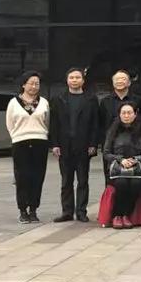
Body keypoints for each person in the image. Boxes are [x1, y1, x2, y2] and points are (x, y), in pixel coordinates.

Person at [49, 67, 102, 223]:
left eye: (77, 77)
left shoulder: (91, 99)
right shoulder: (59, 99)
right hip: (64, 146)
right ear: (67, 80)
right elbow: (54, 124)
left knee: (83, 180)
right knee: (66, 181)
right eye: (71, 77)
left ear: (83, 80)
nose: (74, 80)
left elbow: (95, 124)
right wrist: (55, 144)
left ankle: (81, 211)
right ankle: (67, 211)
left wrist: (93, 144)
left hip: (84, 146)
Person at [6, 71, 50, 224]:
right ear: (24, 84)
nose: (34, 86)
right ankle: (23, 210)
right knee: (22, 177)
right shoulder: (13, 103)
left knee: (37, 177)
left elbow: (47, 122)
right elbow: (10, 124)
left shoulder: (44, 102)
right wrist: (17, 136)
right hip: (20, 142)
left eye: (37, 83)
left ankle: (33, 209)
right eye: (31, 83)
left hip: (40, 142)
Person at [103, 102, 141, 230]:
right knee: (122, 183)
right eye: (123, 113)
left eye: (129, 113)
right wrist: (120, 159)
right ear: (119, 115)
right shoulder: (113, 130)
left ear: (135, 114)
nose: (126, 115)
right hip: (118, 168)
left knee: (135, 184)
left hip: (136, 168)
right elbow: (106, 153)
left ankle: (126, 215)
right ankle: (117, 215)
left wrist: (135, 160)